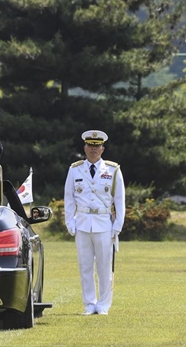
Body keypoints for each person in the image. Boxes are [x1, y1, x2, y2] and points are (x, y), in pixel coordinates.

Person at [64, 130, 125, 316]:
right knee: (85, 267)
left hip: (104, 223)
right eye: (90, 146)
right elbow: (69, 198)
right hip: (82, 223)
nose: (93, 149)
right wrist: (70, 222)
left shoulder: (113, 170)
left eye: (97, 146)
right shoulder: (75, 169)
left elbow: (120, 200)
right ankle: (89, 304)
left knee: (105, 267)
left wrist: (118, 226)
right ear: (85, 147)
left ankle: (104, 305)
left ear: (102, 149)